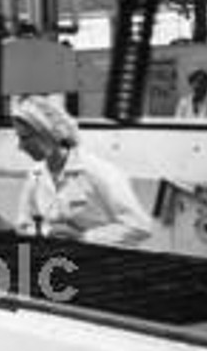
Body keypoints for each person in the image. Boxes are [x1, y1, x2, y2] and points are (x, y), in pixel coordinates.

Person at [11, 95, 152, 246]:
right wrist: (48, 232)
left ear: (49, 133)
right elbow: (23, 226)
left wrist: (85, 237)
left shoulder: (98, 172)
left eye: (25, 138)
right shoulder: (36, 174)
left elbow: (139, 226)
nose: (20, 147)